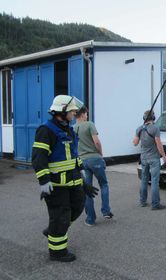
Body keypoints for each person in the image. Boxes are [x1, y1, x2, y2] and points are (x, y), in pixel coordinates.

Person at [32, 95, 98, 262]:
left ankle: (53, 229)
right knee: (61, 216)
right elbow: (39, 158)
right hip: (56, 186)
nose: (75, 113)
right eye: (72, 111)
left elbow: (74, 158)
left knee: (78, 206)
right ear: (62, 111)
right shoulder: (45, 130)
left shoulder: (68, 129)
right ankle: (57, 252)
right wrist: (44, 181)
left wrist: (84, 183)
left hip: (74, 182)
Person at [74, 106, 114, 226]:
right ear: (82, 114)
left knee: (88, 189)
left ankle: (90, 219)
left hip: (82, 161)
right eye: (86, 114)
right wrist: (100, 154)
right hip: (95, 159)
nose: (87, 116)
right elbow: (96, 141)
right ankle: (106, 211)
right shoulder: (89, 124)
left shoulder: (73, 128)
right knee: (103, 184)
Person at [133, 110, 166, 210]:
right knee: (155, 181)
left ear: (144, 118)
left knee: (144, 179)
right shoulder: (155, 128)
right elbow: (159, 144)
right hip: (154, 158)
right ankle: (155, 204)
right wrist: (164, 156)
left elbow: (135, 143)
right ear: (153, 118)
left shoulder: (139, 128)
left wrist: (140, 132)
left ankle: (142, 201)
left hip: (143, 158)